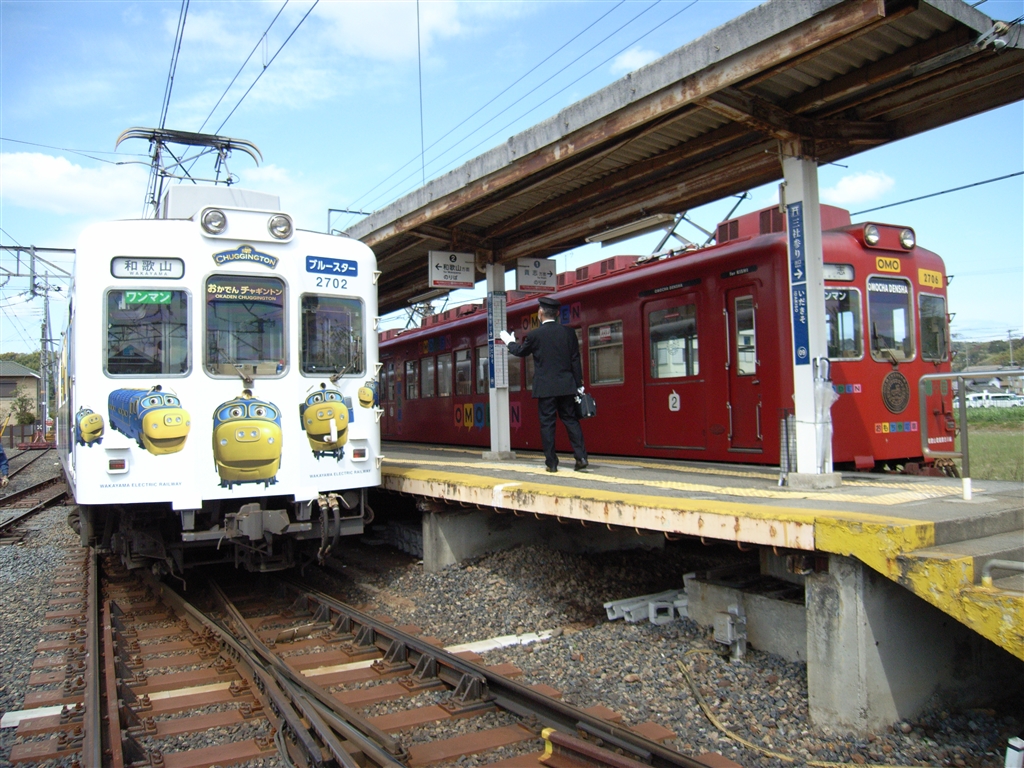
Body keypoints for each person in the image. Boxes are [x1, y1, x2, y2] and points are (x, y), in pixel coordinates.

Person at [500, 295, 588, 472]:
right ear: (557, 314)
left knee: (547, 424)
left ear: (540, 313)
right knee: (571, 420)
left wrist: (509, 341)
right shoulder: (569, 333)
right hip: (566, 386)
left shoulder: (535, 335)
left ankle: (552, 463)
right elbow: (575, 360)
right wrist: (578, 384)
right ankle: (581, 457)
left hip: (545, 388)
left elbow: (520, 352)